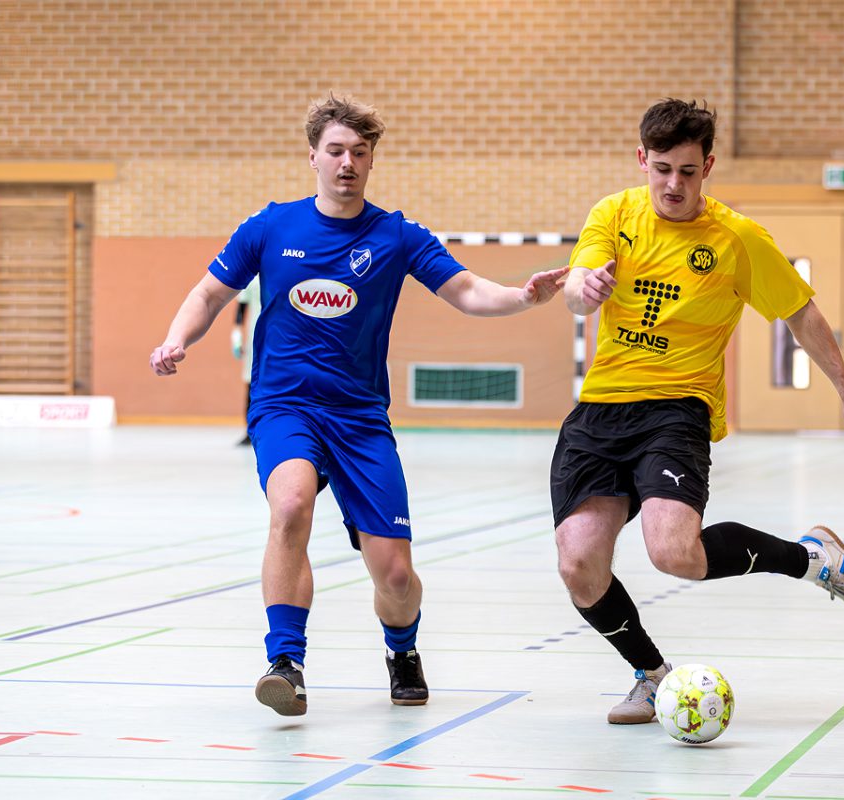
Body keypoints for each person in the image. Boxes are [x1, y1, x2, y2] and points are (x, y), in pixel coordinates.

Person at [150, 93, 567, 717]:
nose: (347, 162)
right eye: (336, 150)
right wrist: (176, 339)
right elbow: (209, 294)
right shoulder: (269, 227)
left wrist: (523, 297)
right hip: (285, 406)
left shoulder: (396, 236)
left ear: (372, 161)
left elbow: (467, 291)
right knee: (290, 504)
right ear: (313, 157)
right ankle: (286, 663)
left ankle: (402, 649)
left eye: (360, 152)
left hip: (360, 419)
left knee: (395, 576)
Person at [551, 98, 844, 726]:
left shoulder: (737, 239)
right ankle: (652, 676)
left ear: (707, 166)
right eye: (661, 170)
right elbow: (577, 287)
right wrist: (582, 288)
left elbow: (801, 313)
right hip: (600, 413)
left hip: (678, 408)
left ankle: (812, 559)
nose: (673, 185)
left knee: (675, 553)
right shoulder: (613, 213)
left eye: (687, 171)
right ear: (642, 159)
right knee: (579, 566)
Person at [231, 276, 260, 446]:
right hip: (253, 337)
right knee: (250, 381)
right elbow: (241, 308)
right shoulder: (252, 279)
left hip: (277, 335)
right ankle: (249, 430)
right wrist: (236, 335)